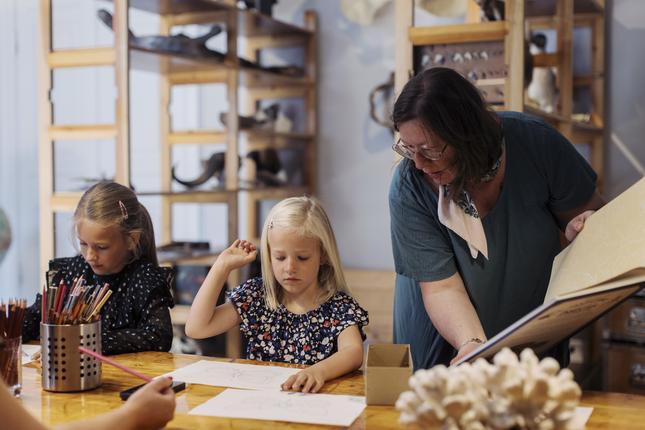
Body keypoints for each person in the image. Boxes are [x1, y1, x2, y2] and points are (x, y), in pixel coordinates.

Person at [389, 67, 603, 370]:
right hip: (446, 350)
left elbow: (594, 220)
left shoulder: (536, 145)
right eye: (409, 149)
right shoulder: (409, 186)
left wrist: (580, 233)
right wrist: (472, 345)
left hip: (531, 344)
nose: (420, 163)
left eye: (430, 150)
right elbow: (441, 288)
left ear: (466, 135)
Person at [185, 196, 369, 393]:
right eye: (280, 257)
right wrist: (221, 267)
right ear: (268, 254)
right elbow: (197, 328)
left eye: (302, 257)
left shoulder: (338, 306)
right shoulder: (257, 297)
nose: (290, 267)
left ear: (323, 254)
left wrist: (318, 372)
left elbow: (353, 352)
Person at [23, 181, 174, 355]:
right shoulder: (70, 273)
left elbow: (159, 336)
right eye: (83, 244)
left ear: (132, 240)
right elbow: (36, 316)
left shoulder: (143, 279)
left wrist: (88, 343)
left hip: (126, 377)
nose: (89, 256)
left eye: (101, 247)